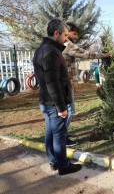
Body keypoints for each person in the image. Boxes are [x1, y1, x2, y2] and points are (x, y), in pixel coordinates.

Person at [32, 18, 82, 175]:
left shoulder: (43, 49)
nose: (66, 38)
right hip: (53, 104)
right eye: (65, 35)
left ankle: (54, 162)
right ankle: (63, 166)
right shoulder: (50, 52)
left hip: (46, 102)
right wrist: (61, 108)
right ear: (56, 33)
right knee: (59, 135)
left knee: (50, 133)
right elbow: (52, 83)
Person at [62, 22, 109, 146]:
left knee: (66, 111)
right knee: (69, 111)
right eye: (75, 34)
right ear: (67, 33)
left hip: (65, 83)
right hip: (65, 84)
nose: (76, 36)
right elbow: (86, 54)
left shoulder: (62, 44)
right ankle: (62, 137)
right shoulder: (68, 44)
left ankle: (63, 133)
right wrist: (104, 55)